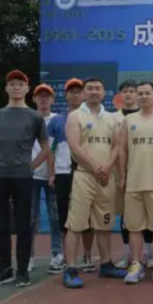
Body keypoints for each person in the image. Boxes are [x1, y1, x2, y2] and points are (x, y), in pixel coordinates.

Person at [0, 70, 50, 288]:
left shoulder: (34, 117)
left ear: (27, 89)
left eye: (20, 84)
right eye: (12, 84)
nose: (16, 87)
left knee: (24, 224)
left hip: (23, 177)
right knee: (0, 224)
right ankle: (4, 269)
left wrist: (31, 166)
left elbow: (46, 147)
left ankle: (22, 271)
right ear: (6, 88)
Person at [62, 77, 128, 289]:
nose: (94, 91)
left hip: (106, 177)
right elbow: (74, 147)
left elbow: (117, 146)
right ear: (84, 93)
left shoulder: (111, 118)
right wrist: (96, 168)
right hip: (84, 176)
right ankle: (70, 269)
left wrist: (107, 167)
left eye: (98, 88)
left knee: (104, 224)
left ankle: (106, 264)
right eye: (89, 88)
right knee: (75, 225)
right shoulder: (75, 116)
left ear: (104, 92)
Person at [120, 82, 153, 284]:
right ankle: (136, 264)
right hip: (134, 182)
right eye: (140, 93)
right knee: (134, 227)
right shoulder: (128, 120)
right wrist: (123, 176)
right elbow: (122, 149)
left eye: (147, 93)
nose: (143, 96)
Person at [113, 81, 153, 271]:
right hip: (124, 174)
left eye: (133, 91)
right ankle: (127, 254)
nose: (129, 94)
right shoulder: (113, 118)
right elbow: (117, 148)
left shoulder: (150, 117)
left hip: (148, 173)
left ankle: (149, 253)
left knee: (149, 214)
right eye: (126, 91)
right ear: (120, 95)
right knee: (126, 216)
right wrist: (121, 174)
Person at [46, 78, 84, 275]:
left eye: (78, 91)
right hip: (62, 174)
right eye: (72, 91)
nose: (75, 95)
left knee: (87, 217)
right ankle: (67, 257)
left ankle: (87, 256)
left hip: (86, 174)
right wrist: (51, 173)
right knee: (64, 217)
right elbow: (50, 150)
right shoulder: (56, 121)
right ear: (66, 95)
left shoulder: (90, 118)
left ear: (83, 95)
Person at [29, 84, 57, 274]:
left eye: (47, 96)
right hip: (29, 176)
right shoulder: (27, 118)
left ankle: (57, 254)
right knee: (30, 218)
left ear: (53, 99)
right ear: (34, 99)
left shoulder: (58, 120)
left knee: (55, 217)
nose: (43, 99)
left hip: (52, 177)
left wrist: (55, 173)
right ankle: (28, 255)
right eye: (40, 96)